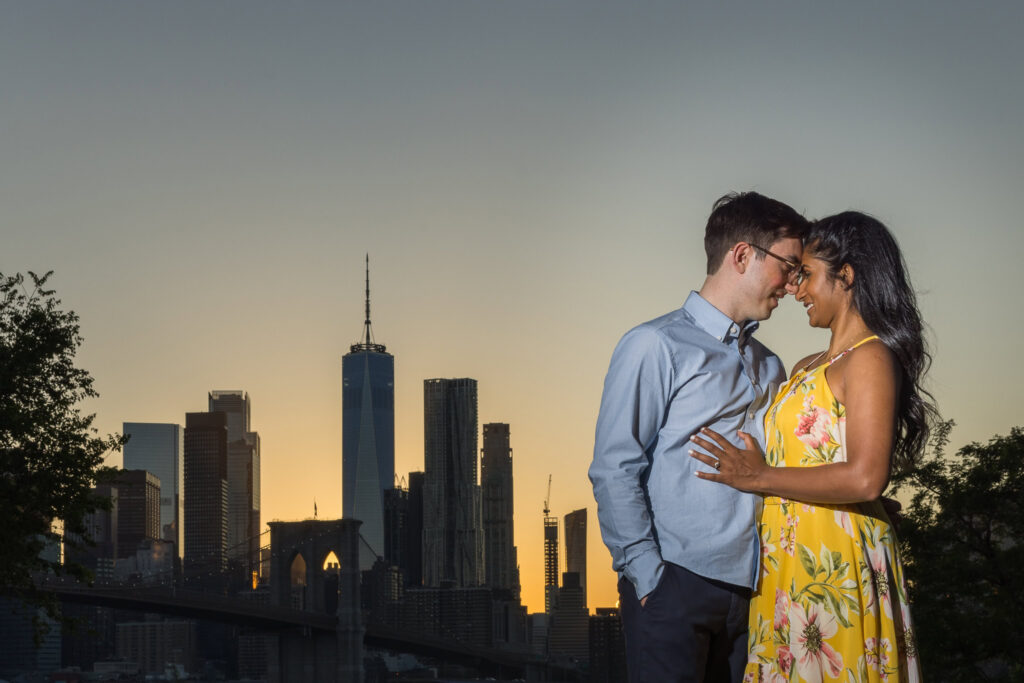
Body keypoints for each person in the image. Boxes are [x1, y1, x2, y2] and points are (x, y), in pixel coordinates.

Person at [689, 211, 932, 682]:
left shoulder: (870, 358)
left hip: (835, 557)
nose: (796, 289)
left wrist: (759, 476)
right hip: (786, 558)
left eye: (807, 275)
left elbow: (866, 477)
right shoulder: (805, 366)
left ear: (847, 275)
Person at [589, 191, 810, 682]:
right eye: (788, 267)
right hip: (674, 585)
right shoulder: (655, 345)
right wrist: (648, 576)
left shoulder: (770, 365)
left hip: (755, 591)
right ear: (742, 255)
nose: (793, 285)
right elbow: (614, 467)